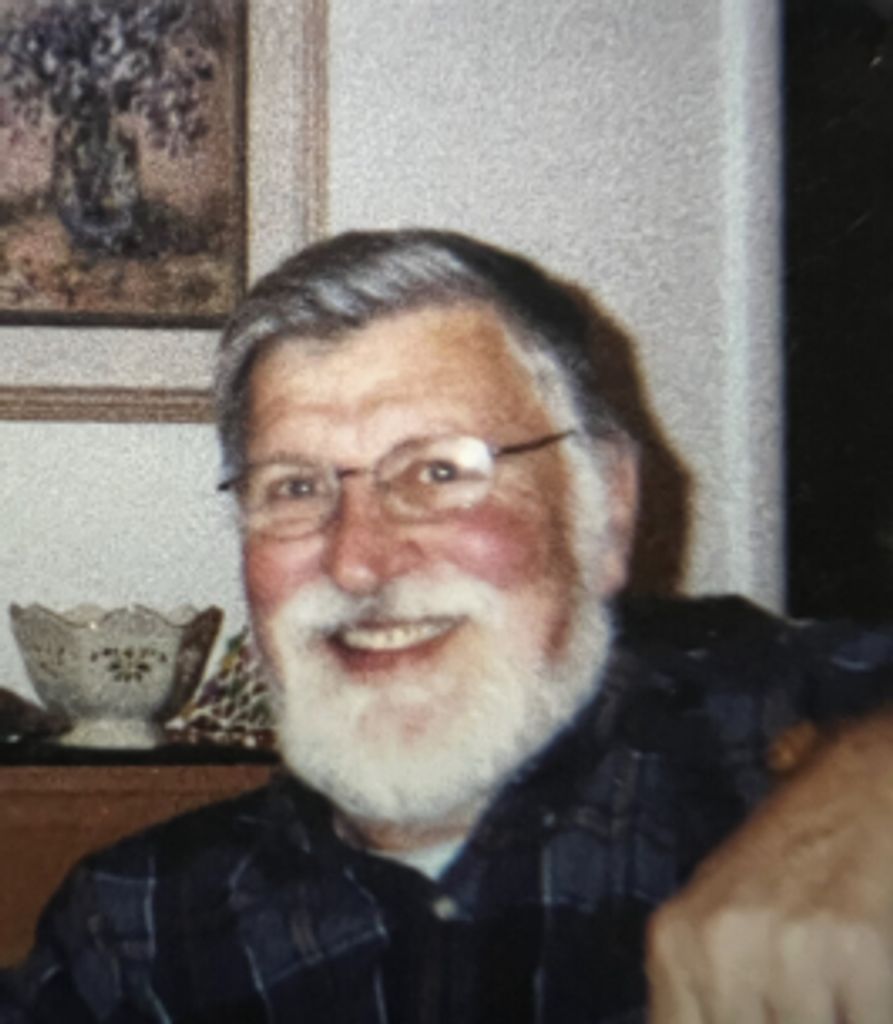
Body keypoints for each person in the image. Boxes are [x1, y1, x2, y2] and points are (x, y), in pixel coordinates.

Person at [3, 228, 893, 1023]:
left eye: (437, 471)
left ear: (607, 510)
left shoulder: (761, 745)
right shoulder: (139, 931)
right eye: (296, 487)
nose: (357, 560)